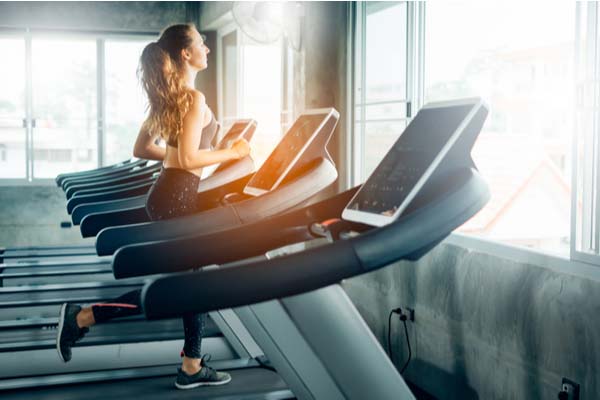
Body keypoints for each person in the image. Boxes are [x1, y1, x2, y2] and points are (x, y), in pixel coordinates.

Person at [56, 23, 250, 390]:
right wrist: (234, 152)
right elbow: (191, 158)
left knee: (188, 286)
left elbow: (144, 148)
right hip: (176, 201)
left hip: (166, 197)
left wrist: (176, 159)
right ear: (186, 54)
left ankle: (191, 364)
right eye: (201, 42)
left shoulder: (169, 96)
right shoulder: (193, 98)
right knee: (188, 288)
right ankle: (81, 318)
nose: (207, 47)